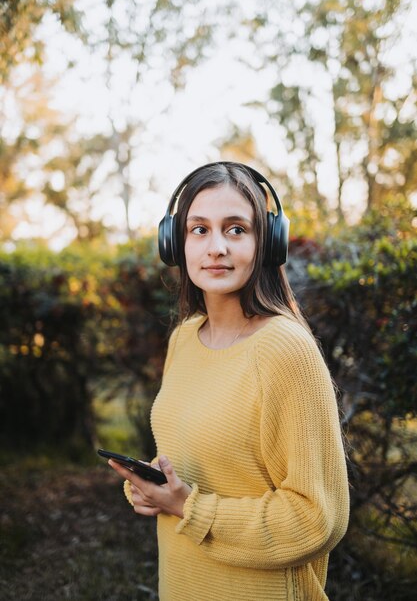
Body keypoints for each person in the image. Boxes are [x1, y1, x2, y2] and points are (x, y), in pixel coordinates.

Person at [108, 161, 350, 601]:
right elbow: (192, 457)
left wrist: (187, 507)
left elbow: (318, 518)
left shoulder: (285, 351)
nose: (216, 246)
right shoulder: (183, 339)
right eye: (199, 230)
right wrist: (148, 488)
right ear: (174, 243)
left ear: (267, 244)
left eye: (236, 229)